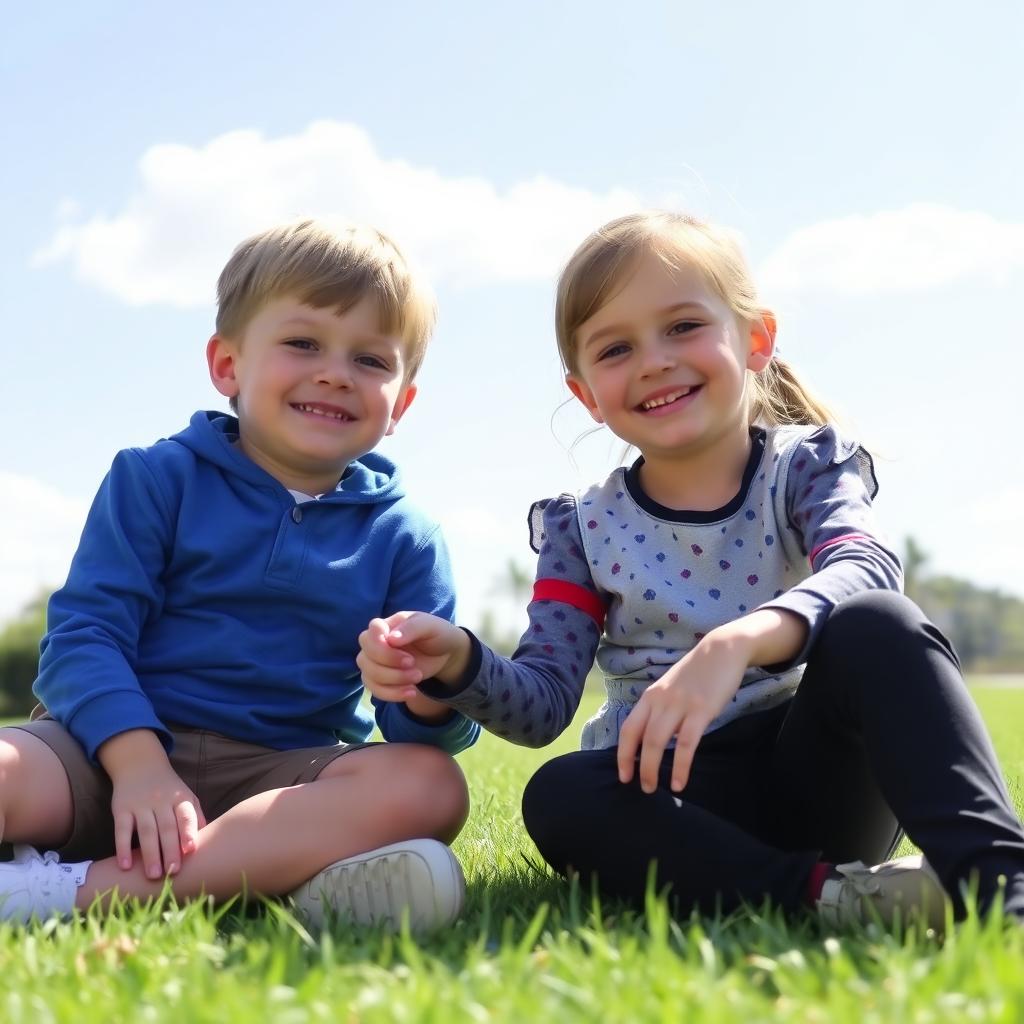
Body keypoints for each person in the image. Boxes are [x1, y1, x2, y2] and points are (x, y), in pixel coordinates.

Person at [358, 211, 1024, 930]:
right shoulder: (579, 528)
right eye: (616, 348)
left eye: (682, 327)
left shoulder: (806, 467)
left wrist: (737, 643)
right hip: (673, 802)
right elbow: (545, 703)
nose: (653, 360)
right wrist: (459, 663)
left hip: (820, 779)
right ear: (586, 394)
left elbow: (865, 566)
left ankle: (1000, 887)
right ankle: (835, 898)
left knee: (882, 623)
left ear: (755, 339)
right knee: (559, 791)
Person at [0, 219, 479, 929]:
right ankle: (280, 884)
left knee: (431, 787)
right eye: (303, 343)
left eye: (372, 360)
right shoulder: (158, 477)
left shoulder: (406, 536)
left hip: (277, 787)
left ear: (401, 403)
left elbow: (422, 737)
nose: (336, 373)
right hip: (104, 758)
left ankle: (59, 893)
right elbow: (84, 638)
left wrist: (430, 691)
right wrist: (138, 767)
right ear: (228, 365)